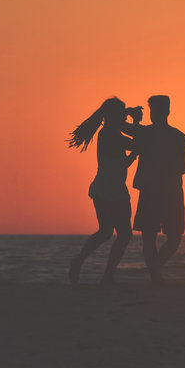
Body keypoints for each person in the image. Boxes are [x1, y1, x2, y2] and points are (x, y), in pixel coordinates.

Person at [66, 97, 142, 285]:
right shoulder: (109, 133)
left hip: (108, 188)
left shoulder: (109, 132)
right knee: (119, 233)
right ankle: (104, 273)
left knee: (108, 232)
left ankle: (87, 264)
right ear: (114, 115)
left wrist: (128, 116)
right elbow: (135, 144)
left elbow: (123, 162)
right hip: (109, 190)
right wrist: (136, 122)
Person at [121, 95, 185, 283]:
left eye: (156, 110)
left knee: (166, 235)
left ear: (167, 111)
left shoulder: (172, 136)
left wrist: (128, 115)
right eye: (153, 110)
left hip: (161, 191)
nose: (154, 114)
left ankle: (155, 270)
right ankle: (155, 273)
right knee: (157, 235)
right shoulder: (173, 136)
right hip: (164, 191)